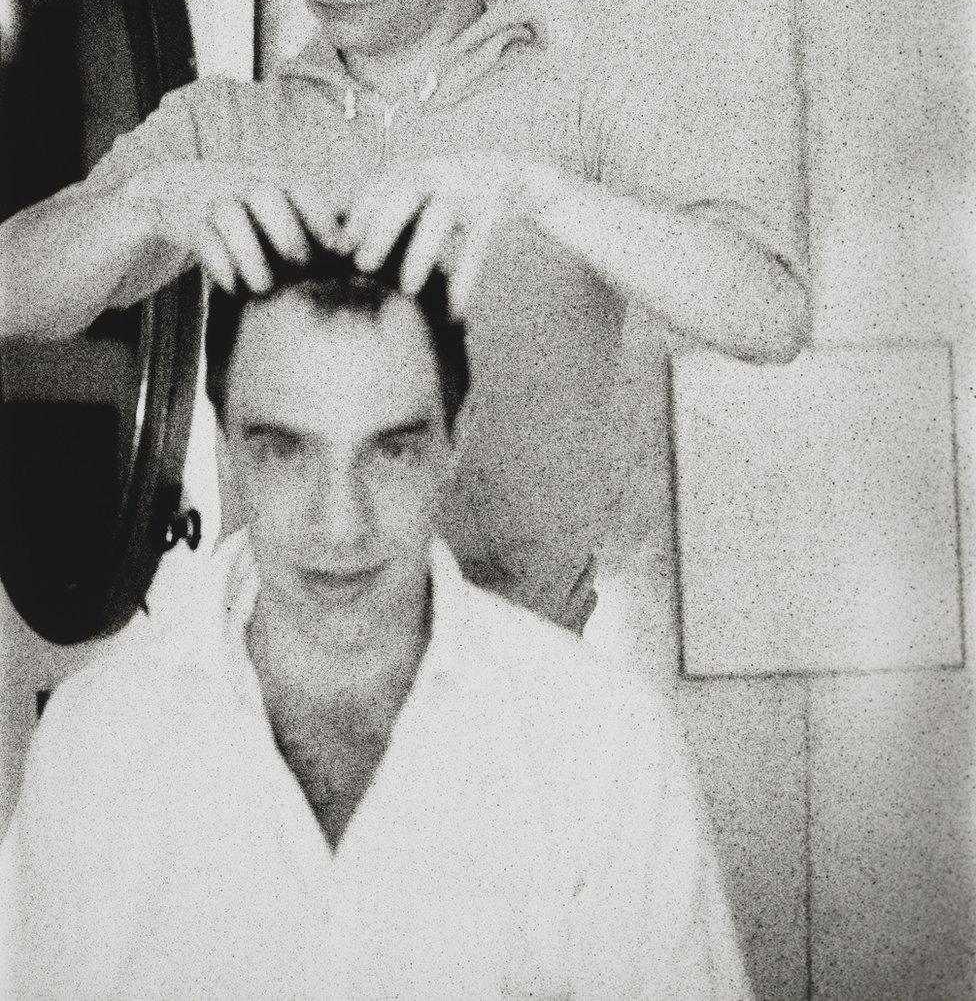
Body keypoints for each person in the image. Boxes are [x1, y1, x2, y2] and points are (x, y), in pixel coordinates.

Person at [0, 0, 809, 630]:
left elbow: (771, 316)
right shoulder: (224, 124)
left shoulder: (588, 103)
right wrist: (141, 205)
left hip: (519, 688)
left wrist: (538, 193)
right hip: (283, 691)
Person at [0, 238, 752, 1000]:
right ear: (228, 448)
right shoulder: (97, 746)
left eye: (389, 450)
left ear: (451, 447)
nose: (341, 525)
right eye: (285, 450)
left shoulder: (603, 742)